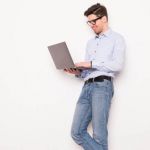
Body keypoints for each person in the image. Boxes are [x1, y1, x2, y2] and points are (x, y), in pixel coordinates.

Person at [64, 3, 126, 150]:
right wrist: (78, 72)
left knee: (99, 135)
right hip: (86, 87)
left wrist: (90, 63)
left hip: (102, 87)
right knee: (77, 132)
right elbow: (87, 70)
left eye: (93, 21)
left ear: (104, 18)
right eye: (89, 22)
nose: (91, 25)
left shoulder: (117, 39)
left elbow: (117, 65)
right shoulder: (90, 43)